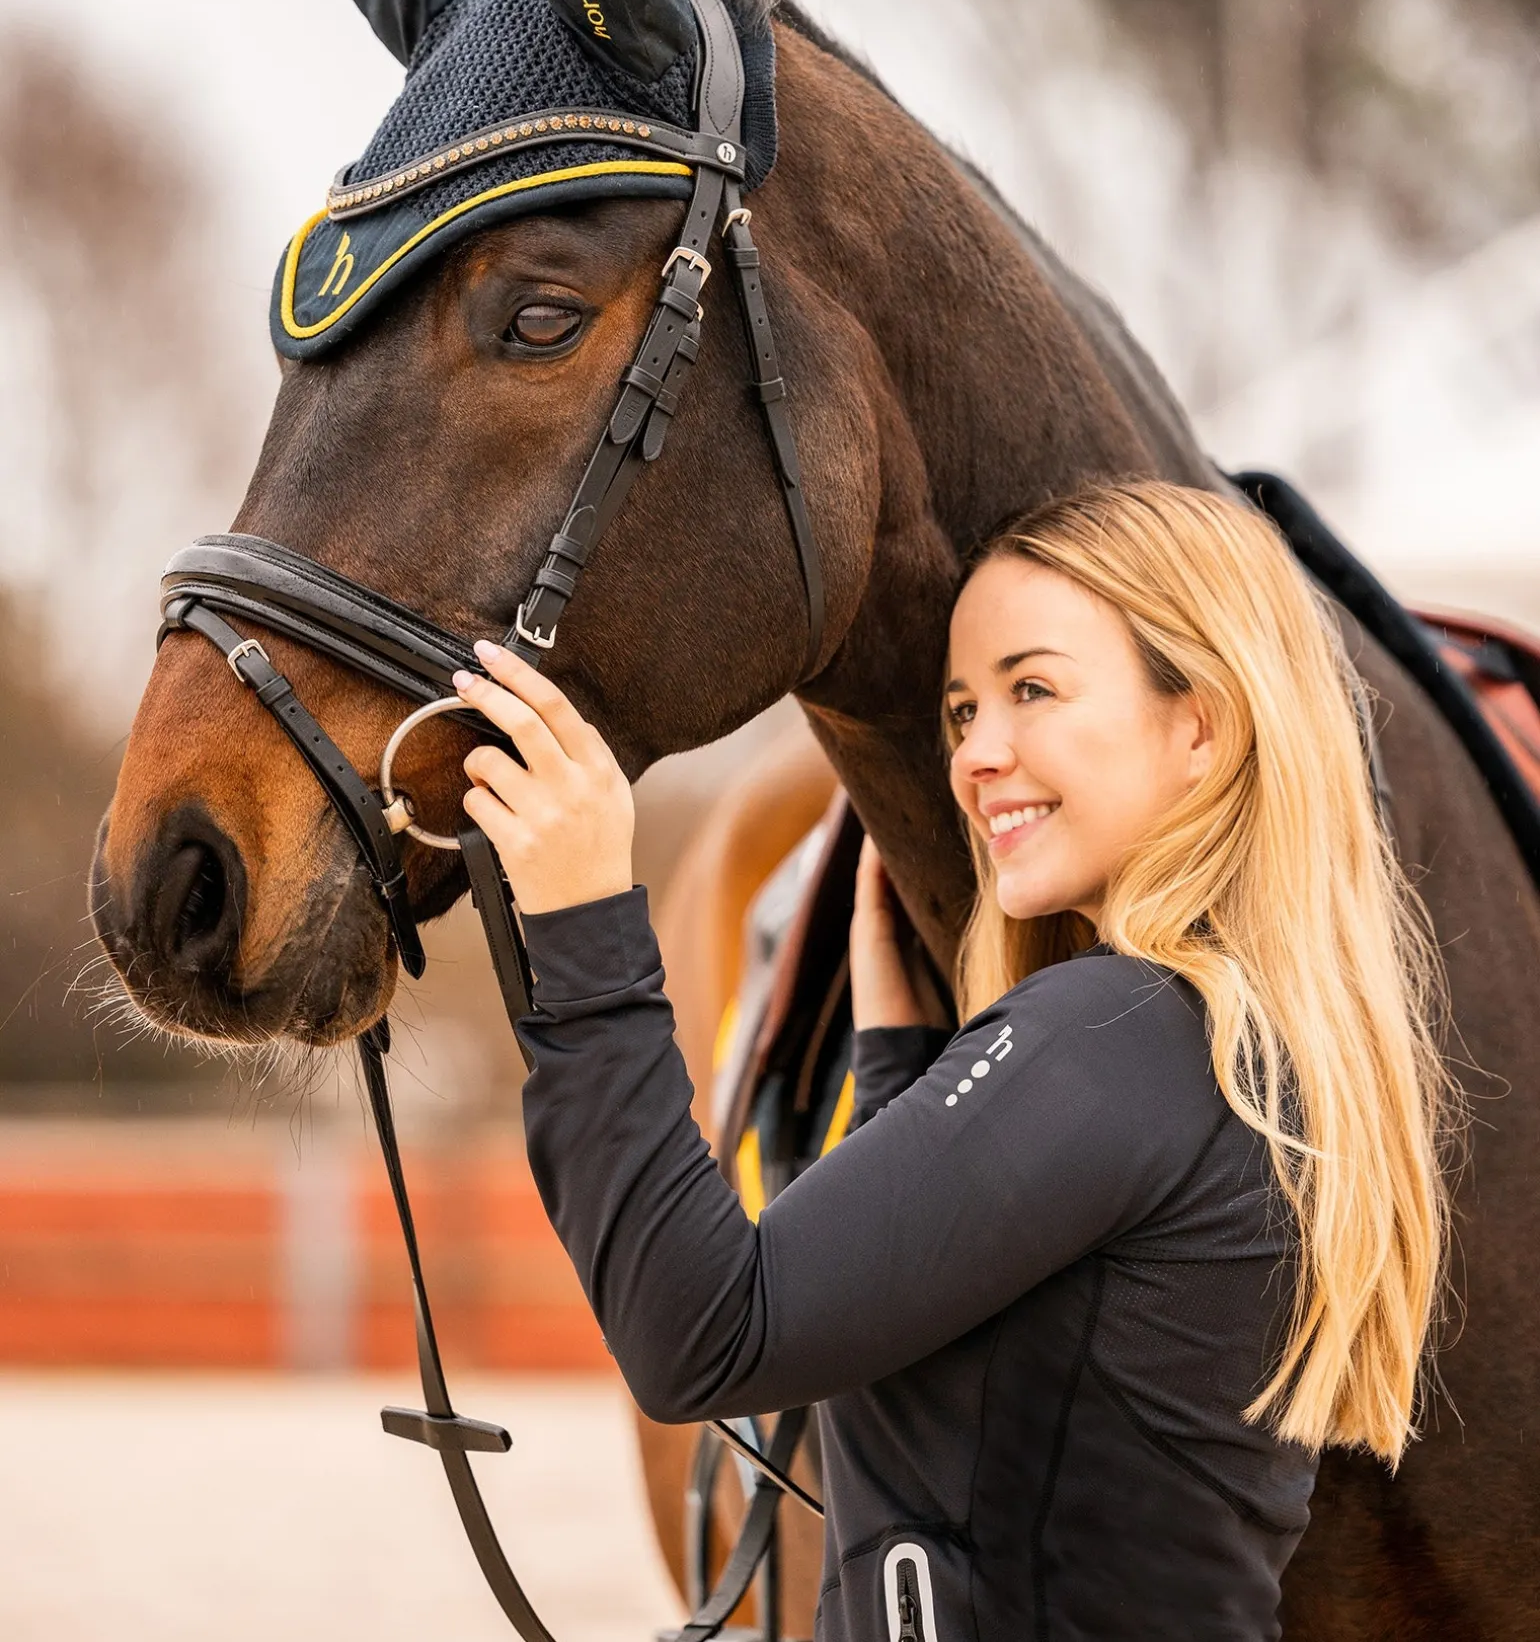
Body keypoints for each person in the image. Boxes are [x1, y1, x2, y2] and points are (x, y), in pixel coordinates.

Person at [450, 480, 1452, 1642]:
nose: (977, 753)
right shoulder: (1226, 1049)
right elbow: (1019, 1401)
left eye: (1033, 688)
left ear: (1201, 726)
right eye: (964, 710)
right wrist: (903, 1074)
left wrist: (584, 935)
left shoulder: (1106, 1039)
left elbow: (701, 1332)